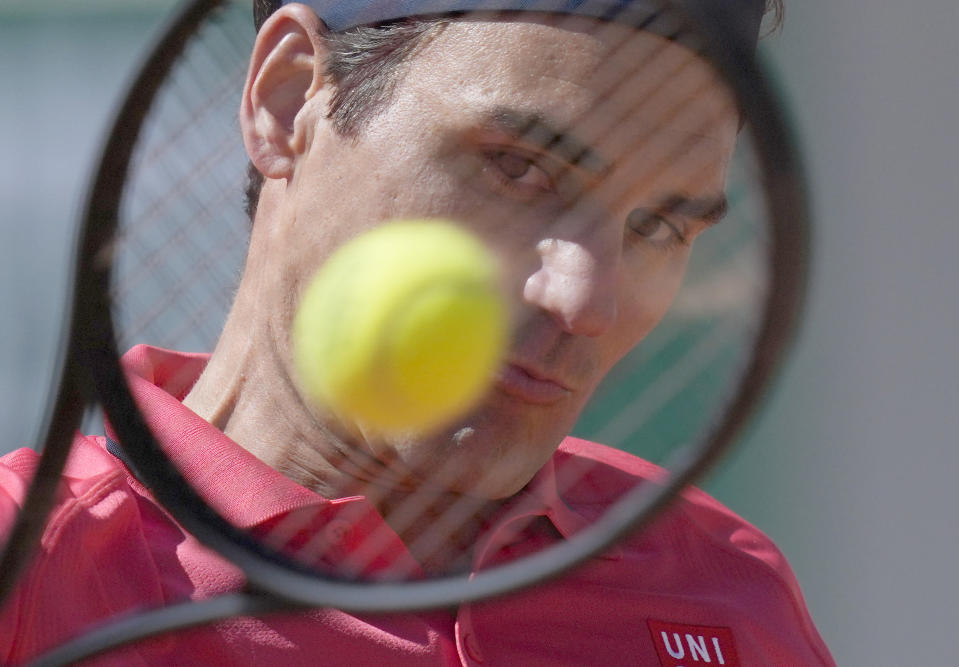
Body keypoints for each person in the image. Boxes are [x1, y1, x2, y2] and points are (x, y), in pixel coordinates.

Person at [0, 1, 835, 664]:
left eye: (657, 225)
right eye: (519, 167)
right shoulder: (27, 565)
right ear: (288, 100)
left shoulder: (731, 586)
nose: (584, 300)